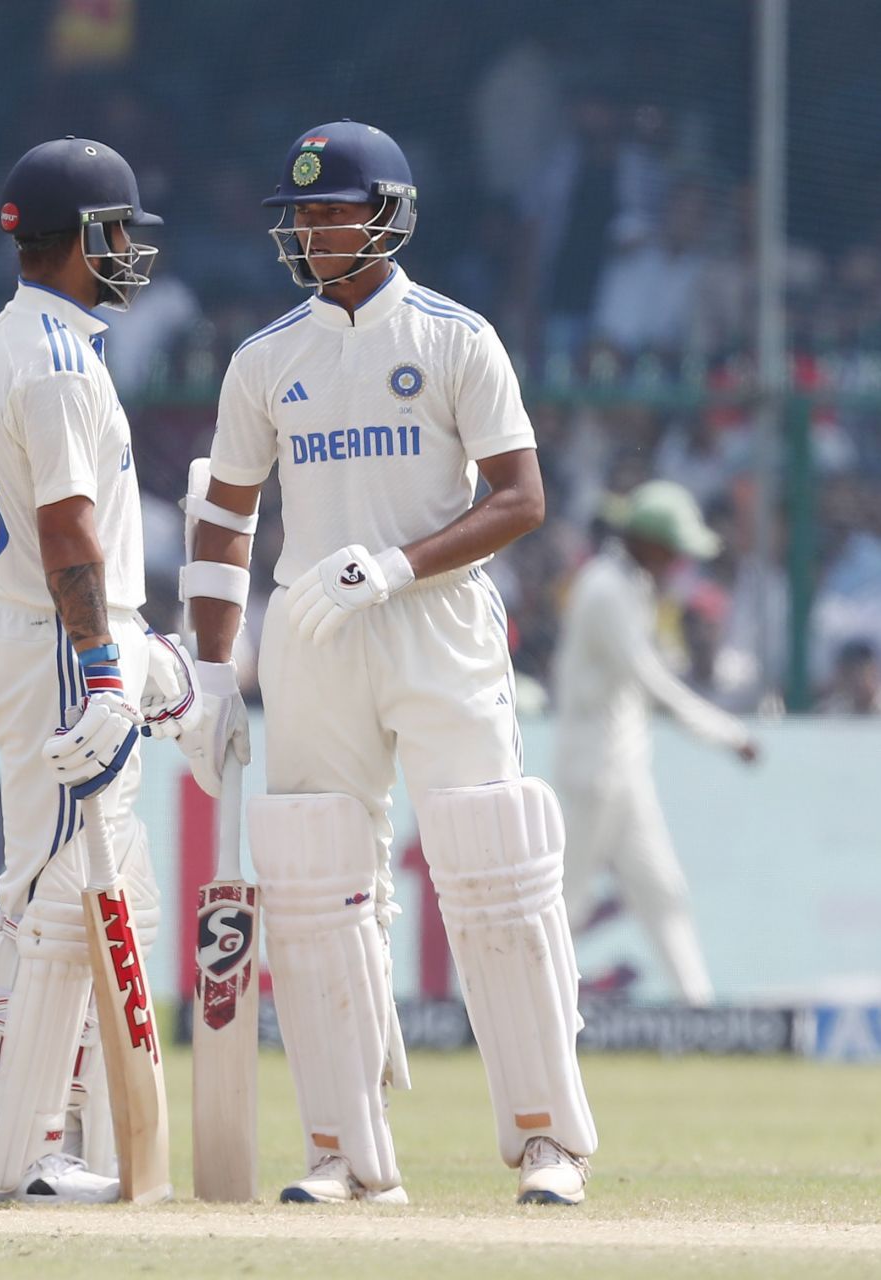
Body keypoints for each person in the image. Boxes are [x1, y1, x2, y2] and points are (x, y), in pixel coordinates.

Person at [182, 120, 595, 1206]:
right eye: (301, 214)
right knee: (316, 879)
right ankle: (345, 1153)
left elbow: (521, 498)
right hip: (315, 632)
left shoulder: (458, 337)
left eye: (334, 210)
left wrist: (397, 566)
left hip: (438, 620)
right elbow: (224, 515)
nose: (314, 230)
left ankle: (549, 1139)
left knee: (493, 861)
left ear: (389, 215)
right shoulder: (267, 357)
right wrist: (213, 668)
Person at [0, 137, 192, 1206]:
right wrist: (104, 668)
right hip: (57, 637)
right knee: (49, 892)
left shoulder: (30, 336)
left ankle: (56, 1134)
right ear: (90, 237)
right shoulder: (52, 356)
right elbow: (68, 532)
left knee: (89, 890)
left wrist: (138, 659)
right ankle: (13, 1149)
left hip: (51, 632)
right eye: (123, 232)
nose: (133, 250)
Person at [552, 482, 760, 1007]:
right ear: (647, 543)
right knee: (564, 904)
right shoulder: (603, 588)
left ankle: (700, 1011)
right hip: (592, 772)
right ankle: (512, 1017)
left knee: (662, 891)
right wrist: (728, 734)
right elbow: (649, 680)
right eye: (674, 552)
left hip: (625, 771)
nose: (680, 564)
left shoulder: (633, 586)